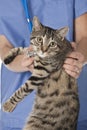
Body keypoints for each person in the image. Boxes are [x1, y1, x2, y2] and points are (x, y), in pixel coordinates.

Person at [0, 0, 87, 130]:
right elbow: (3, 46)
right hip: (17, 114)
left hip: (65, 108)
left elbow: (84, 37)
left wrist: (78, 57)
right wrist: (21, 62)